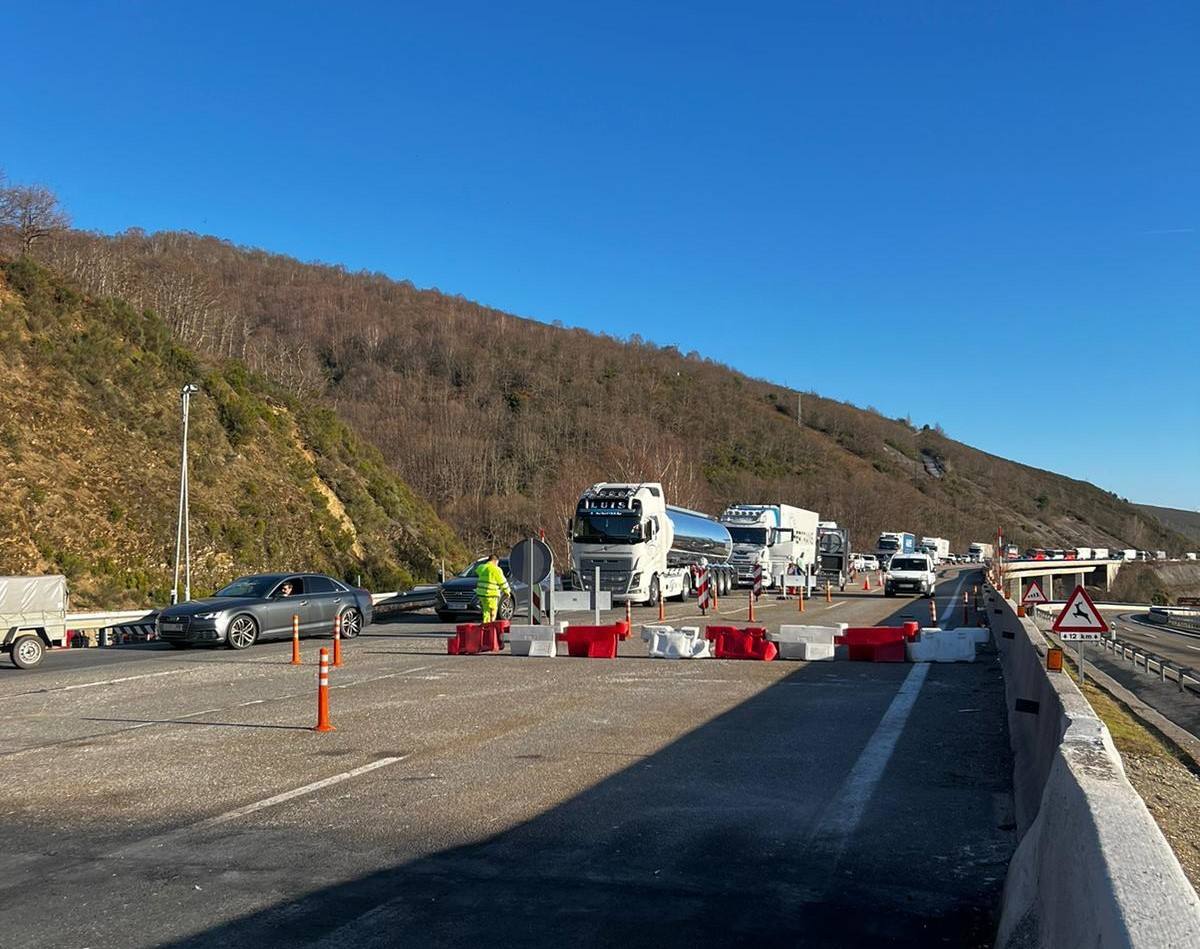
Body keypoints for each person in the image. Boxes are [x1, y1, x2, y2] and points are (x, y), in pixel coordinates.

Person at [474, 555, 511, 624]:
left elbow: (477, 570)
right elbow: (502, 581)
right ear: (495, 561)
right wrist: (507, 591)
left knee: (486, 610)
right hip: (491, 593)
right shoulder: (496, 569)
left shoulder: (481, 567)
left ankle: (485, 624)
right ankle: (491, 625)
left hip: (481, 594)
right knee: (493, 610)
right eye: (497, 562)